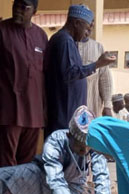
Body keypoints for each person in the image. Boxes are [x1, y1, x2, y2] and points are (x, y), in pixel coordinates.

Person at [0, 0, 48, 194]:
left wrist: (45, 108)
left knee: (27, 161)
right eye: (16, 5)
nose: (18, 9)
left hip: (35, 111)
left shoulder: (41, 36)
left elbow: (44, 75)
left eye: (24, 6)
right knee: (7, 159)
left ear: (34, 11)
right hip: (9, 108)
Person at [44, 5, 115, 137]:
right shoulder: (64, 41)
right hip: (64, 112)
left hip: (71, 112)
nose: (86, 33)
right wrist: (98, 64)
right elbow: (70, 73)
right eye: (86, 29)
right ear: (76, 23)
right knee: (65, 151)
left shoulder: (69, 41)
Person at [77, 20, 113, 117]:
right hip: (69, 105)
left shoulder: (98, 47)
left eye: (91, 28)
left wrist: (107, 106)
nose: (88, 31)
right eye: (86, 27)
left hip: (91, 106)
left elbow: (105, 79)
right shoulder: (66, 44)